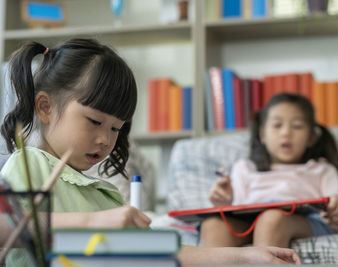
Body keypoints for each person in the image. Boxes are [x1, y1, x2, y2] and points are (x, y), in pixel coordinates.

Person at [0, 39, 301, 266]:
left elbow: (165, 251)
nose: (106, 139)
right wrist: (94, 223)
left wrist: (245, 257)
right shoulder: (28, 163)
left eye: (117, 128)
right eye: (94, 121)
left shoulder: (105, 195)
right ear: (45, 107)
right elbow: (10, 229)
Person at [201, 93, 338, 248]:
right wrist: (224, 201)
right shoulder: (245, 168)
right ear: (262, 134)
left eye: (297, 126)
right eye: (277, 125)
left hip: (302, 223)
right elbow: (238, 207)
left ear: (311, 137)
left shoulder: (322, 169)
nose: (286, 133)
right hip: (250, 222)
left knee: (271, 220)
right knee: (213, 225)